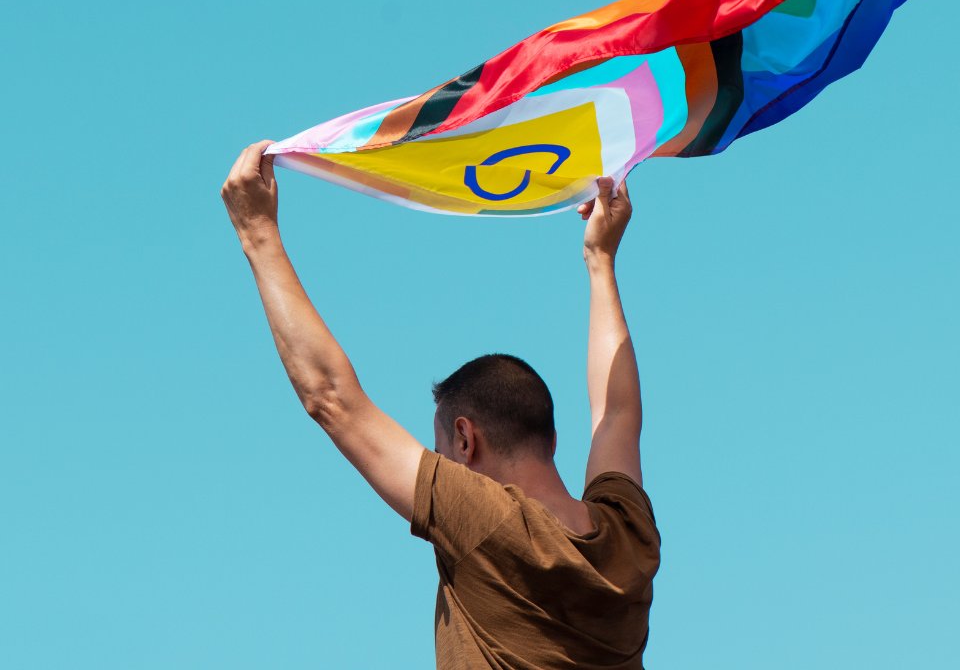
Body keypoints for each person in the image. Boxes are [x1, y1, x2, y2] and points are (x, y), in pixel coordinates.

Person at [221, 141, 660, 668]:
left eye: (441, 451)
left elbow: (332, 400)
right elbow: (616, 415)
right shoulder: (628, 536)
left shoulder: (485, 521)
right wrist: (600, 262)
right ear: (552, 441)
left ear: (466, 440)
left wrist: (257, 234)